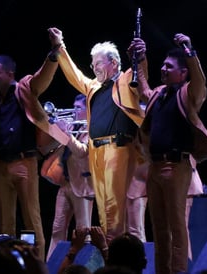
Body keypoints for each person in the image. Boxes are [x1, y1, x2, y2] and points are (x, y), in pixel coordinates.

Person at [48, 27, 146, 244]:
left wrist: (140, 57)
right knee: (105, 216)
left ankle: (116, 260)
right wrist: (59, 46)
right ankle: (111, 255)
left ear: (114, 63)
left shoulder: (127, 80)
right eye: (92, 64)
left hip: (118, 150)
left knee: (113, 215)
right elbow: (75, 75)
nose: (93, 67)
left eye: (98, 63)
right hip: (97, 152)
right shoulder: (93, 86)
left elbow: (142, 76)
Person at [136, 33, 207, 274]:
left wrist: (189, 51)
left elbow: (200, 82)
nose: (163, 68)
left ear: (183, 73)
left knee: (176, 227)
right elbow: (142, 87)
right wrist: (140, 57)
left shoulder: (188, 94)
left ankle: (179, 272)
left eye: (169, 66)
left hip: (176, 167)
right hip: (155, 167)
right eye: (162, 64)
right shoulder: (159, 94)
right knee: (159, 229)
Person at [0, 49, 71, 260]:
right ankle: (7, 265)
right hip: (0, 166)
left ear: (10, 74)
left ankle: (36, 264)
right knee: (5, 224)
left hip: (24, 162)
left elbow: (42, 78)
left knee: (32, 220)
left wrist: (52, 56)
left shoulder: (24, 89)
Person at [41, 94, 95, 262]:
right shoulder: (75, 127)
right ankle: (51, 265)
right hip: (66, 184)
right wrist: (56, 127)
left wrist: (66, 133)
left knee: (83, 231)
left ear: (88, 110)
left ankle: (83, 266)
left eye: (78, 108)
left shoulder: (92, 129)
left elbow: (81, 152)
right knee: (57, 229)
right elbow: (49, 147)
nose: (73, 111)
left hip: (83, 186)